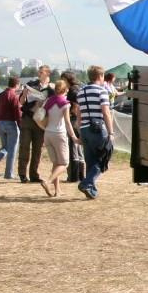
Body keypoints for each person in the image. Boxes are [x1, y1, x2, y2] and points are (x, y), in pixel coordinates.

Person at [73, 65, 115, 199]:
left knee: (90, 160)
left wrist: (79, 132)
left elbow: (78, 114)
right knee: (103, 158)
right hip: (98, 129)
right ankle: (85, 183)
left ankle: (91, 191)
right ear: (100, 76)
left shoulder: (80, 92)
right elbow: (106, 112)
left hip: (84, 129)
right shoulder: (102, 91)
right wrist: (111, 133)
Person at [39, 76, 80, 197]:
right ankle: (48, 181)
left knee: (56, 163)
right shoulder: (65, 104)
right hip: (59, 134)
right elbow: (67, 122)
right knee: (64, 163)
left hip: (47, 133)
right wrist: (74, 137)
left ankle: (57, 190)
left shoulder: (49, 101)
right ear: (64, 90)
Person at [18, 65, 53, 183]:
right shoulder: (31, 84)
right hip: (28, 118)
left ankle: (34, 174)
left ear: (48, 74)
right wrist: (24, 94)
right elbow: (21, 102)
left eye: (41, 72)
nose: (39, 73)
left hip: (42, 120)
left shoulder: (51, 89)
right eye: (39, 71)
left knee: (37, 149)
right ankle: (22, 174)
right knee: (25, 147)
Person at [0, 75, 25, 180]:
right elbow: (17, 113)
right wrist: (21, 126)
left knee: (5, 147)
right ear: (17, 85)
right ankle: (9, 173)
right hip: (11, 123)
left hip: (1, 123)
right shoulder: (14, 96)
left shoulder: (0, 95)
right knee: (12, 150)